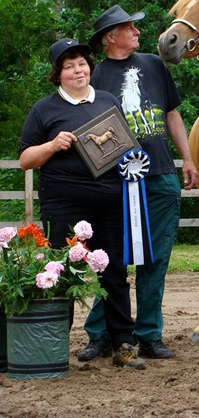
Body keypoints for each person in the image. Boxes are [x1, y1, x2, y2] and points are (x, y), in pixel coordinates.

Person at [77, 5, 198, 361]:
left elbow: (172, 113)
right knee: (108, 260)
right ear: (109, 37)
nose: (137, 31)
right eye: (129, 27)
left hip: (159, 175)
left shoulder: (154, 65)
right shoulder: (96, 76)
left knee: (155, 260)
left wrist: (187, 157)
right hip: (114, 183)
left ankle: (149, 334)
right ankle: (101, 333)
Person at [18, 38, 146, 369]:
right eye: (70, 66)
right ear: (57, 74)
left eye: (82, 64)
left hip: (111, 203)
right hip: (63, 205)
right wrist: (51, 145)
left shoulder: (106, 101)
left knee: (115, 271)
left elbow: (122, 147)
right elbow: (25, 159)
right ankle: (53, 345)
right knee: (61, 273)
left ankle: (123, 344)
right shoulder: (44, 109)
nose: (79, 70)